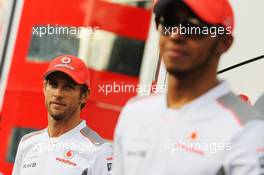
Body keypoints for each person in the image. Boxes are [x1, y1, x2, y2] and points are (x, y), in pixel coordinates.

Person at [112, 0, 264, 174]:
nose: (176, 35)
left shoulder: (248, 130)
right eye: (167, 22)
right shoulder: (134, 112)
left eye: (193, 26)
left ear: (225, 42)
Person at [12, 55, 112, 175]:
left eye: (68, 87)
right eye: (53, 85)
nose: (58, 93)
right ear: (44, 88)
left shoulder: (99, 151)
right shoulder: (27, 143)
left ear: (84, 95)